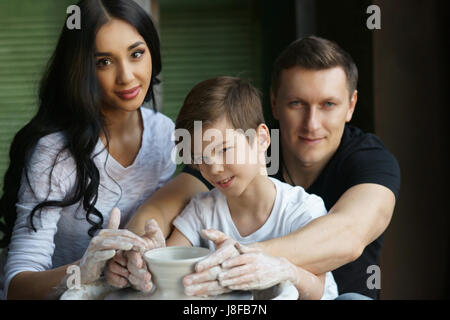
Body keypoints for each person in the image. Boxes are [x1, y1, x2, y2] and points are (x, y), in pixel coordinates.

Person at [107, 36, 400, 300]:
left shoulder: (368, 159)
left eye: (328, 104)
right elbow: (166, 205)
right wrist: (141, 251)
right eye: (297, 103)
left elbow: (348, 236)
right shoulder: (233, 150)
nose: (311, 123)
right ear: (274, 103)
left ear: (350, 105)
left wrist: (241, 262)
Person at [0, 0, 174, 299]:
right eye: (104, 62)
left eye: (136, 54)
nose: (127, 77)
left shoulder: (164, 133)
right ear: (81, 69)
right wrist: (86, 269)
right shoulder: (53, 152)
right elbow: (16, 286)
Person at [153, 76, 338, 299]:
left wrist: (288, 271)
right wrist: (149, 255)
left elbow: (318, 291)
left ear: (261, 139)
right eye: (201, 157)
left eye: (223, 150)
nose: (214, 169)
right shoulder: (202, 211)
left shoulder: (302, 210)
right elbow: (167, 270)